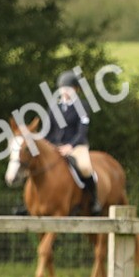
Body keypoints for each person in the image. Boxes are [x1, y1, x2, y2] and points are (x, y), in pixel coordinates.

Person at [47, 69, 100, 215]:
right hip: (56, 147)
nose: (65, 91)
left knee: (84, 167)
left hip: (77, 145)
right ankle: (29, 202)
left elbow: (82, 131)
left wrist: (70, 146)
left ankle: (94, 200)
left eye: (69, 88)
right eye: (63, 88)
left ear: (76, 89)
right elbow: (48, 130)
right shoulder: (54, 107)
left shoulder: (82, 106)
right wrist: (48, 146)